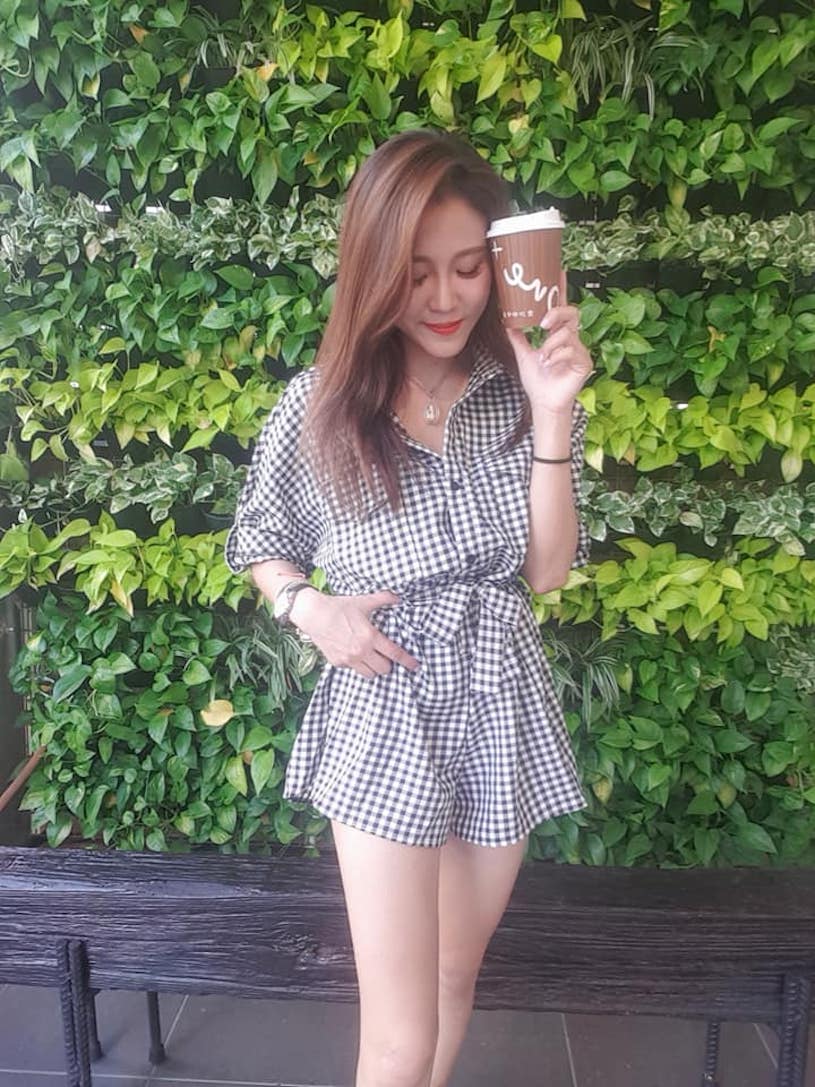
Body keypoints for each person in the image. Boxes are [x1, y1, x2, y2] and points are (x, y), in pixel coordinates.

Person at [224, 128, 594, 1087]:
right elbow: (260, 537)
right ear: (373, 270)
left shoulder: (520, 391)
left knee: (451, 977)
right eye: (415, 271)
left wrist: (552, 409)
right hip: (386, 706)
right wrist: (309, 610)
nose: (443, 297)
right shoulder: (321, 402)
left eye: (468, 268)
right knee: (395, 1036)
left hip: (499, 699)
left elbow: (547, 572)